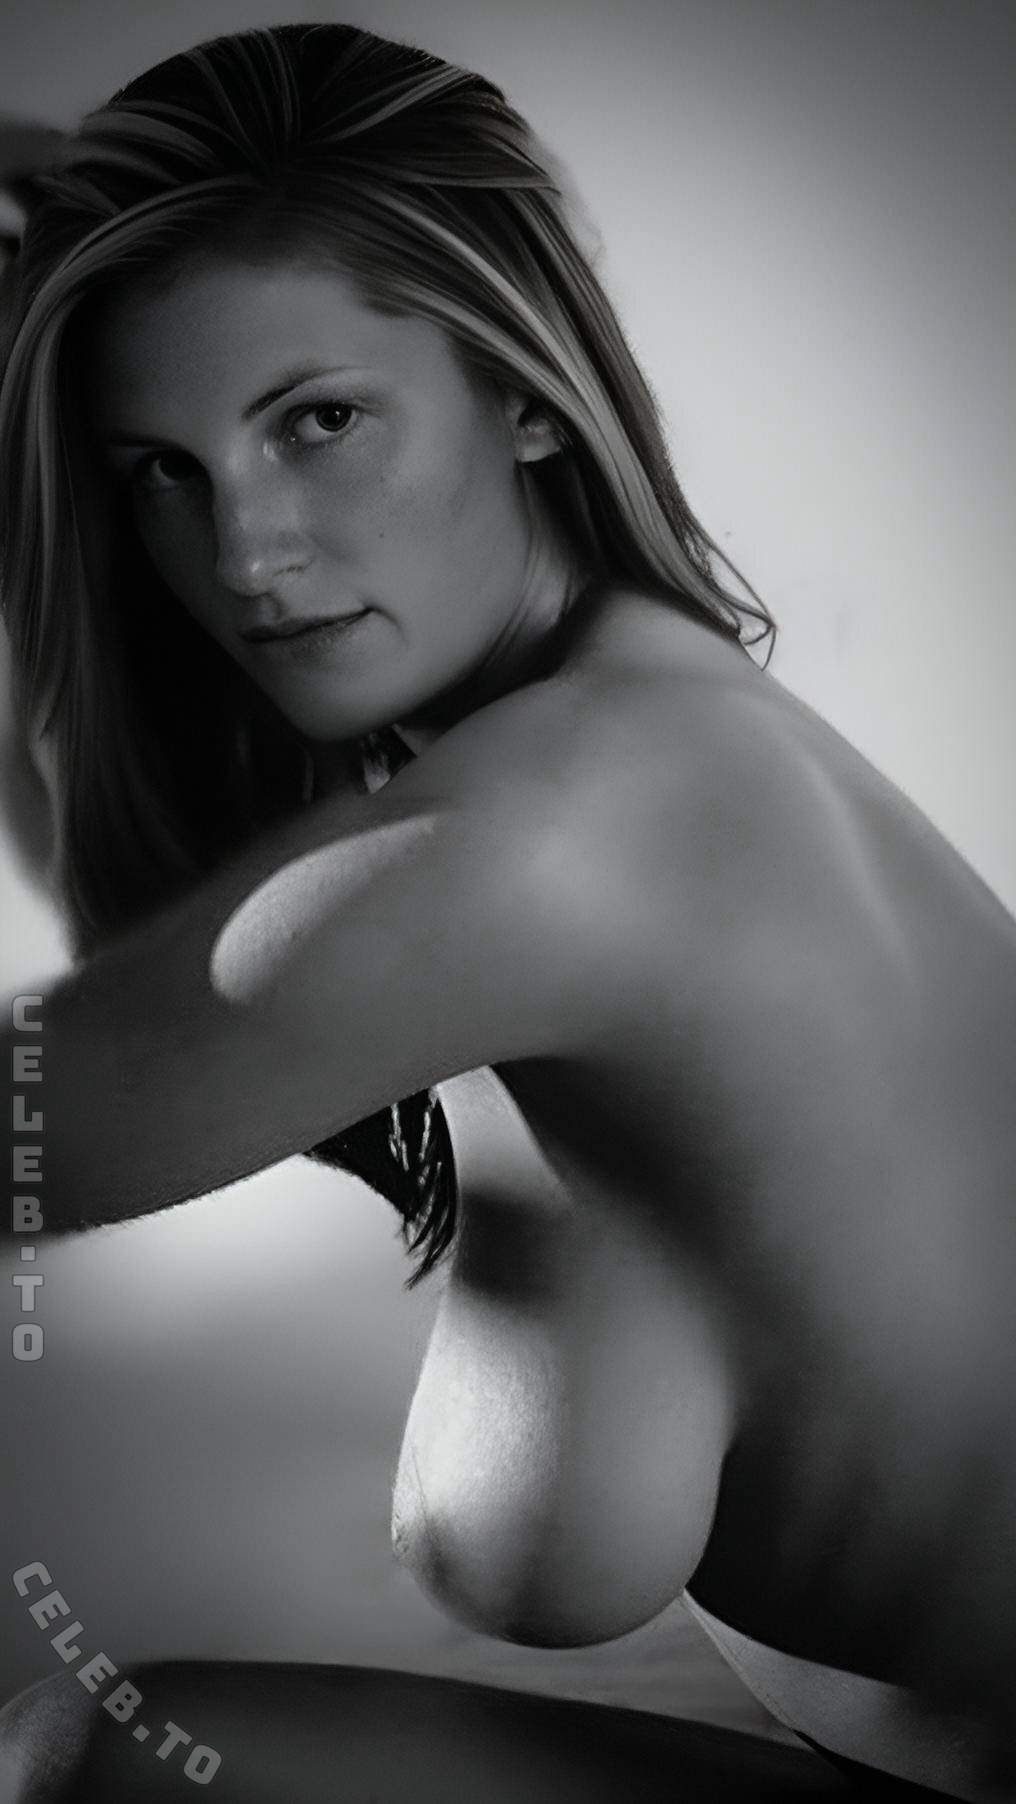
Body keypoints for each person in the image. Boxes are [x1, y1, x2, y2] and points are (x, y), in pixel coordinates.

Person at [0, 22, 1012, 1802]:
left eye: (318, 421)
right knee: (97, 1757)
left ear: (527, 388)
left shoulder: (558, 832)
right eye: (160, 467)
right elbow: (152, 977)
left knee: (92, 1762)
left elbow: (51, 1114)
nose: (243, 554)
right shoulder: (633, 728)